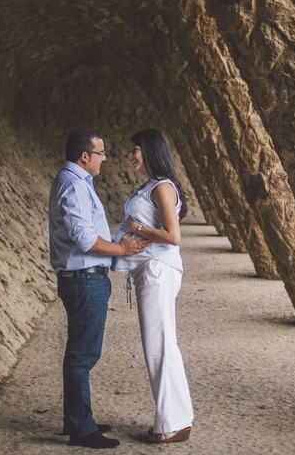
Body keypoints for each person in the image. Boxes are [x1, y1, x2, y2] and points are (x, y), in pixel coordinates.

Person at [49, 129, 150, 450]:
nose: (105, 158)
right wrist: (123, 249)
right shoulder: (74, 185)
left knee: (80, 352)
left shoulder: (75, 182)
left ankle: (76, 418)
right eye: (101, 153)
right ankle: (81, 428)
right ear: (85, 156)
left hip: (83, 277)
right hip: (84, 278)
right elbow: (84, 238)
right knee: (83, 355)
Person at [112, 128, 194, 444]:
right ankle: (175, 420)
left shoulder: (162, 186)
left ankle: (171, 425)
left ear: (149, 150)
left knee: (158, 346)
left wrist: (138, 228)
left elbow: (173, 236)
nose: (130, 155)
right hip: (152, 269)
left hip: (157, 270)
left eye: (135, 149)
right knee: (163, 345)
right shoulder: (152, 185)